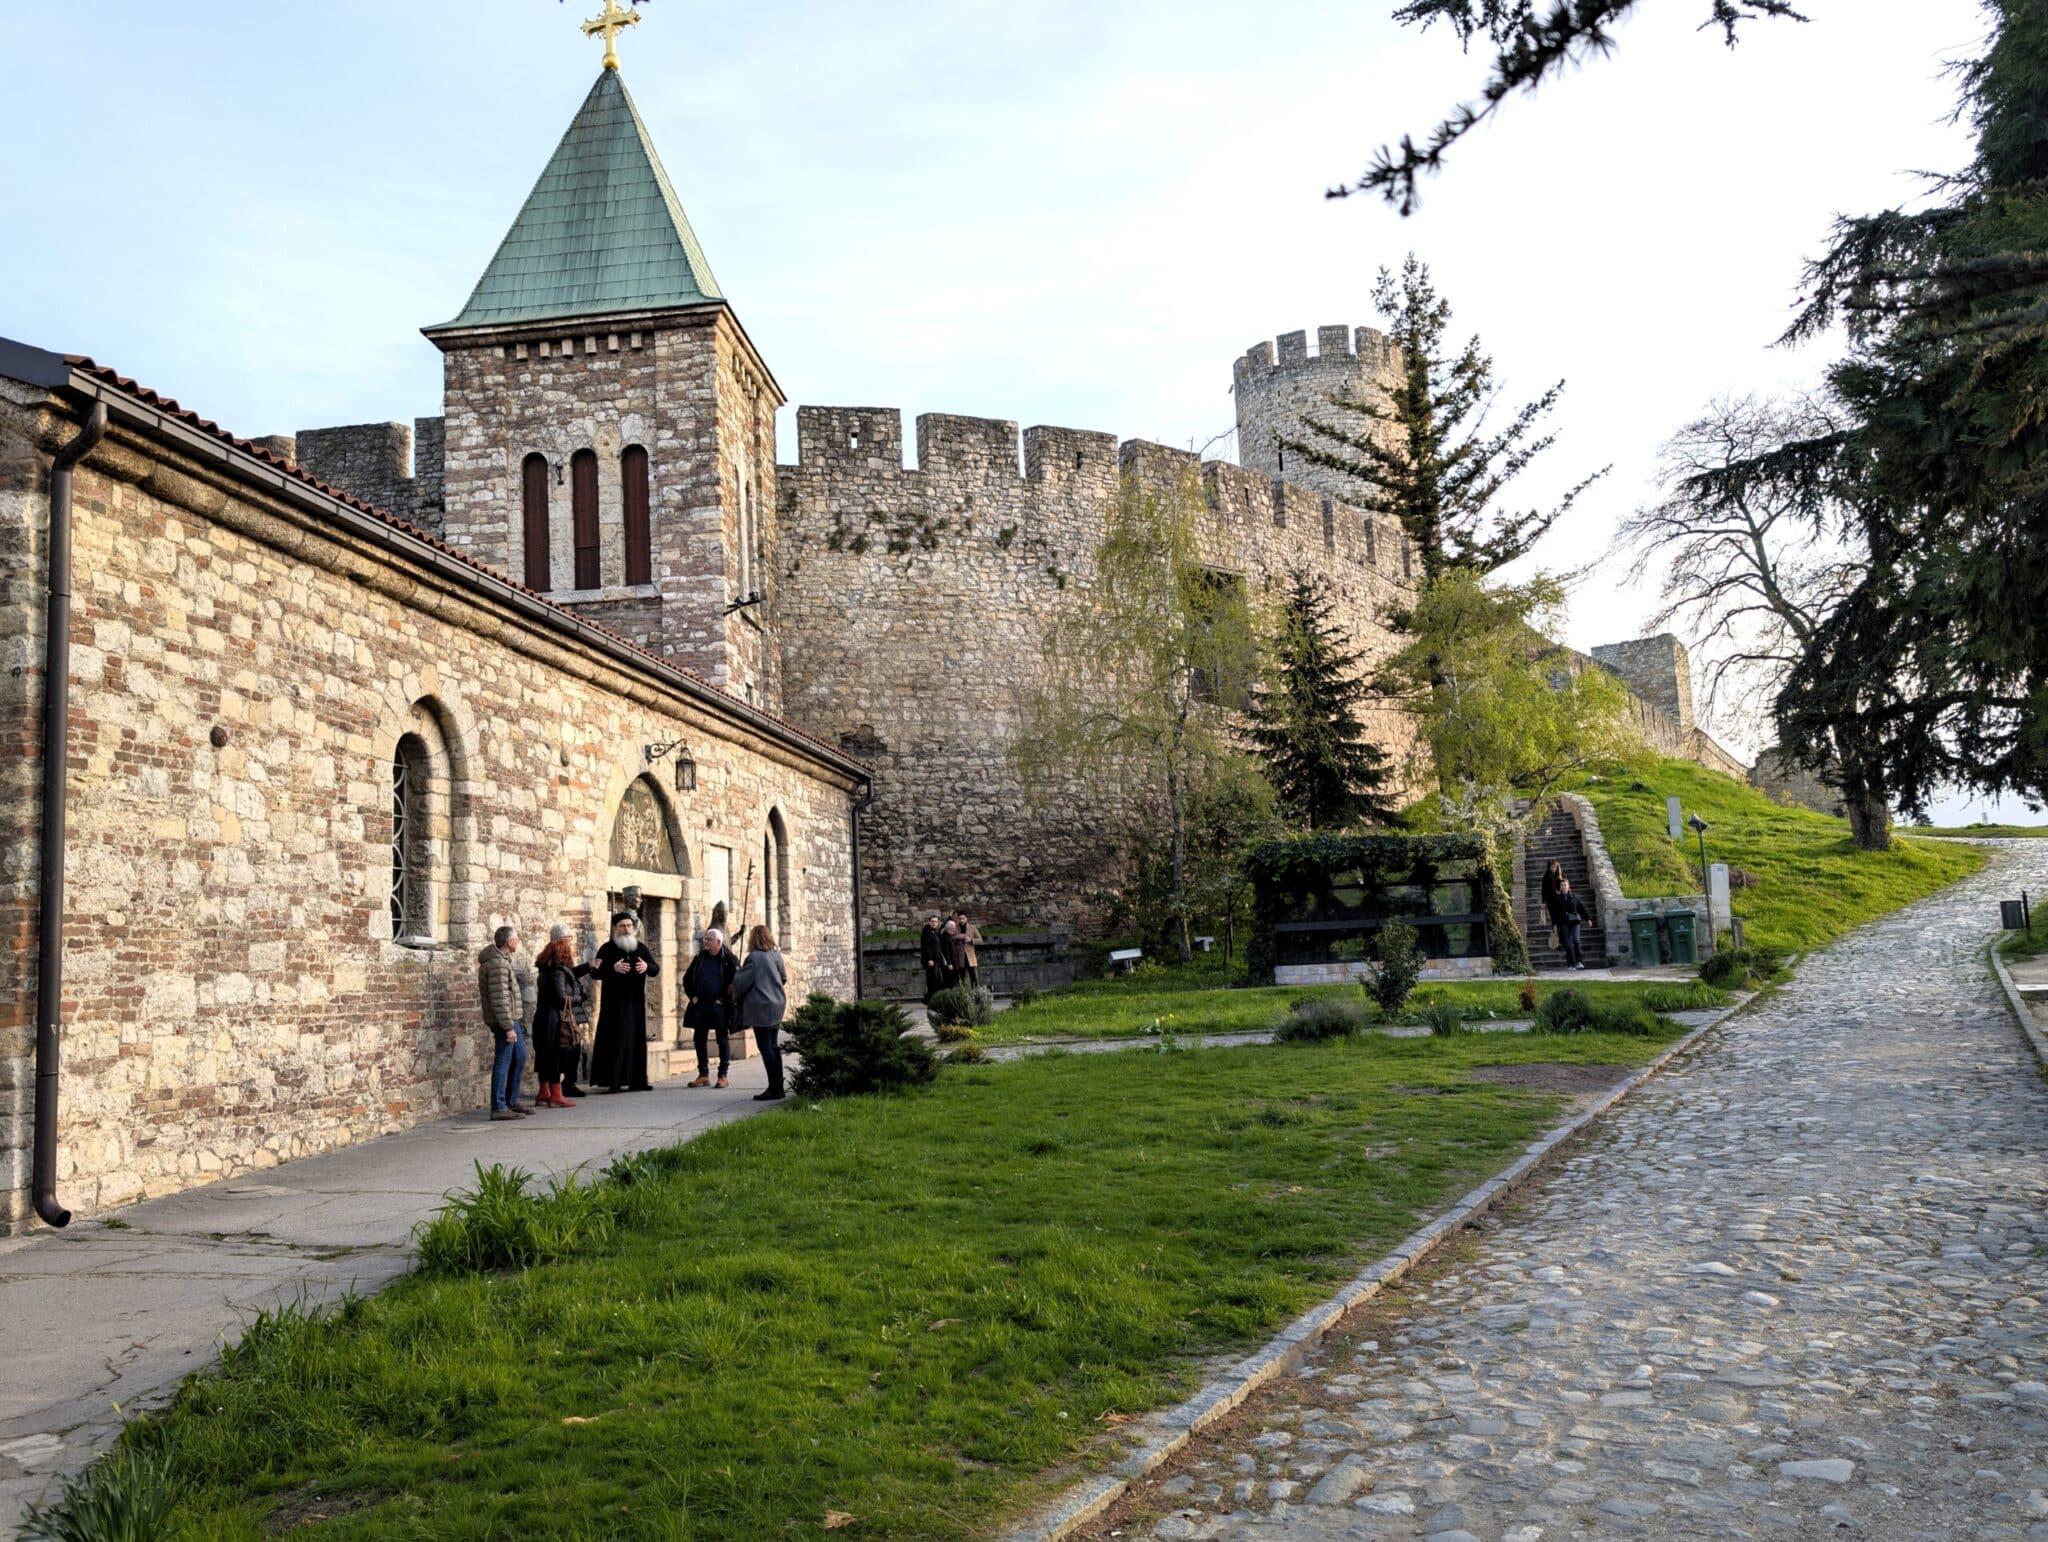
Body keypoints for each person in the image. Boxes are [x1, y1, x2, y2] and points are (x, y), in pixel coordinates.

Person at [585, 911, 660, 1092]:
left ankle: (637, 1081)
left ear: (633, 928)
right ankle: (614, 1081)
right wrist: (613, 968)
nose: (626, 929)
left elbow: (655, 969)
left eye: (628, 926)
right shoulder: (607, 949)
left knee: (635, 1042)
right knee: (615, 1041)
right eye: (622, 926)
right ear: (616, 929)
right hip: (613, 1005)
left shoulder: (640, 948)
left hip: (635, 1004)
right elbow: (595, 972)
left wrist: (646, 966)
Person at [476, 924, 532, 1120]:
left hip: (510, 1020)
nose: (518, 941)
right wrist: (508, 1028)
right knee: (503, 1060)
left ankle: (511, 1100)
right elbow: (499, 999)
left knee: (520, 1058)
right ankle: (499, 1107)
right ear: (509, 942)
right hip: (505, 1022)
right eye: (516, 938)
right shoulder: (498, 964)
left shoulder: (501, 961)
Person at [734, 923, 789, 1102]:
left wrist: (737, 973)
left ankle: (774, 1087)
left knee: (766, 1048)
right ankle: (778, 1086)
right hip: (777, 1004)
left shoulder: (754, 958)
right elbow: (783, 978)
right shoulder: (776, 956)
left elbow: (741, 983)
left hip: (761, 1007)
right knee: (773, 1046)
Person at [531, 924, 583, 1107]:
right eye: (569, 939)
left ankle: (544, 1091)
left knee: (544, 1054)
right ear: (563, 943)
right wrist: (577, 996)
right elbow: (561, 999)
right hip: (554, 1019)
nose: (571, 944)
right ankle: (555, 1094)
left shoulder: (545, 968)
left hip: (543, 1017)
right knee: (555, 1056)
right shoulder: (558, 972)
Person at [682, 927, 738, 1088]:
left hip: (719, 1005)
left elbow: (736, 982)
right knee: (699, 1038)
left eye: (709, 940)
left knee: (722, 1039)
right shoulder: (700, 958)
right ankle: (703, 1074)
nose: (705, 942)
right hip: (701, 1005)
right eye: (705, 939)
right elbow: (687, 979)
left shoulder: (729, 959)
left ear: (719, 942)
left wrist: (726, 999)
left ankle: (722, 1075)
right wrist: (693, 996)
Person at [1557, 878, 1591, 969]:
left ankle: (1579, 962)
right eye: (1562, 885)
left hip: (1575, 921)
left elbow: (1581, 908)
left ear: (1568, 886)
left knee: (1576, 940)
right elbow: (1554, 913)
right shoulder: (1558, 899)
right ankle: (1571, 963)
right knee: (1568, 944)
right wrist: (1555, 925)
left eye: (1565, 885)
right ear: (1560, 887)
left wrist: (1588, 919)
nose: (1563, 887)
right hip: (1564, 922)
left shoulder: (1574, 896)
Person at [918, 912, 949, 1001]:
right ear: (929, 922)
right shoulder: (927, 932)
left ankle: (930, 998)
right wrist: (930, 959)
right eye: (932, 921)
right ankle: (931, 998)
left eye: (936, 921)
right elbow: (926, 947)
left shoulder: (933, 931)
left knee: (937, 979)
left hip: (936, 960)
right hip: (931, 961)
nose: (934, 923)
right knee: (934, 980)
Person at [952, 910, 983, 990]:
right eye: (959, 919)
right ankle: (963, 994)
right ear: (957, 919)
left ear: (966, 919)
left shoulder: (972, 927)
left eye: (963, 918)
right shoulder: (955, 928)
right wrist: (960, 936)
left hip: (970, 957)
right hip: (960, 957)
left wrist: (971, 940)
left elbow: (980, 940)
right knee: (961, 978)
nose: (961, 920)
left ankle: (977, 993)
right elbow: (950, 938)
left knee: (974, 977)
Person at [1541, 859, 1567, 947]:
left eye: (1555, 867)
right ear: (1548, 867)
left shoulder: (1560, 874)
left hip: (1561, 901)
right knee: (1554, 920)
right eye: (1551, 867)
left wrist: (1562, 892)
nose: (1553, 869)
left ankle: (1562, 939)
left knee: (1561, 920)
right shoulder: (1546, 876)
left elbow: (1566, 885)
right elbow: (1543, 890)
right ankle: (1556, 940)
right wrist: (1543, 902)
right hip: (1551, 901)